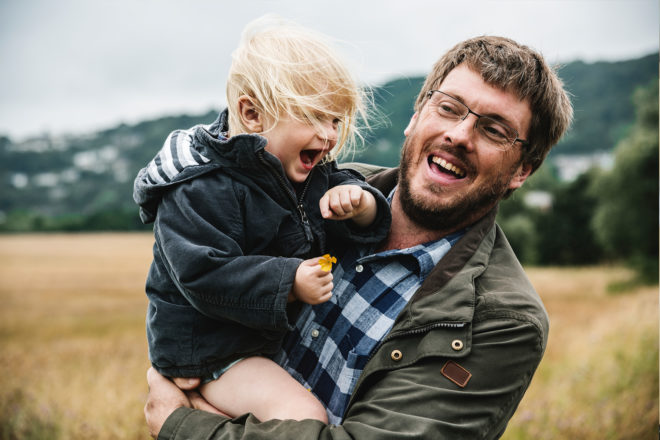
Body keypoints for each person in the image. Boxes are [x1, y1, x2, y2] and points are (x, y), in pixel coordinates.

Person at [144, 34, 573, 439]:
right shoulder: (314, 188)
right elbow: (205, 242)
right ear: (416, 115)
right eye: (449, 107)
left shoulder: (503, 323)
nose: (459, 135)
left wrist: (179, 425)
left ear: (522, 170)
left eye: (495, 130)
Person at [133, 16, 391, 424]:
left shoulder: (302, 170)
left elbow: (334, 208)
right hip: (212, 348)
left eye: (335, 121)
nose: (328, 135)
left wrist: (362, 205)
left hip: (255, 337)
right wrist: (288, 282)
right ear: (251, 114)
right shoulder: (200, 186)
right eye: (314, 116)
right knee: (304, 416)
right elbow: (203, 274)